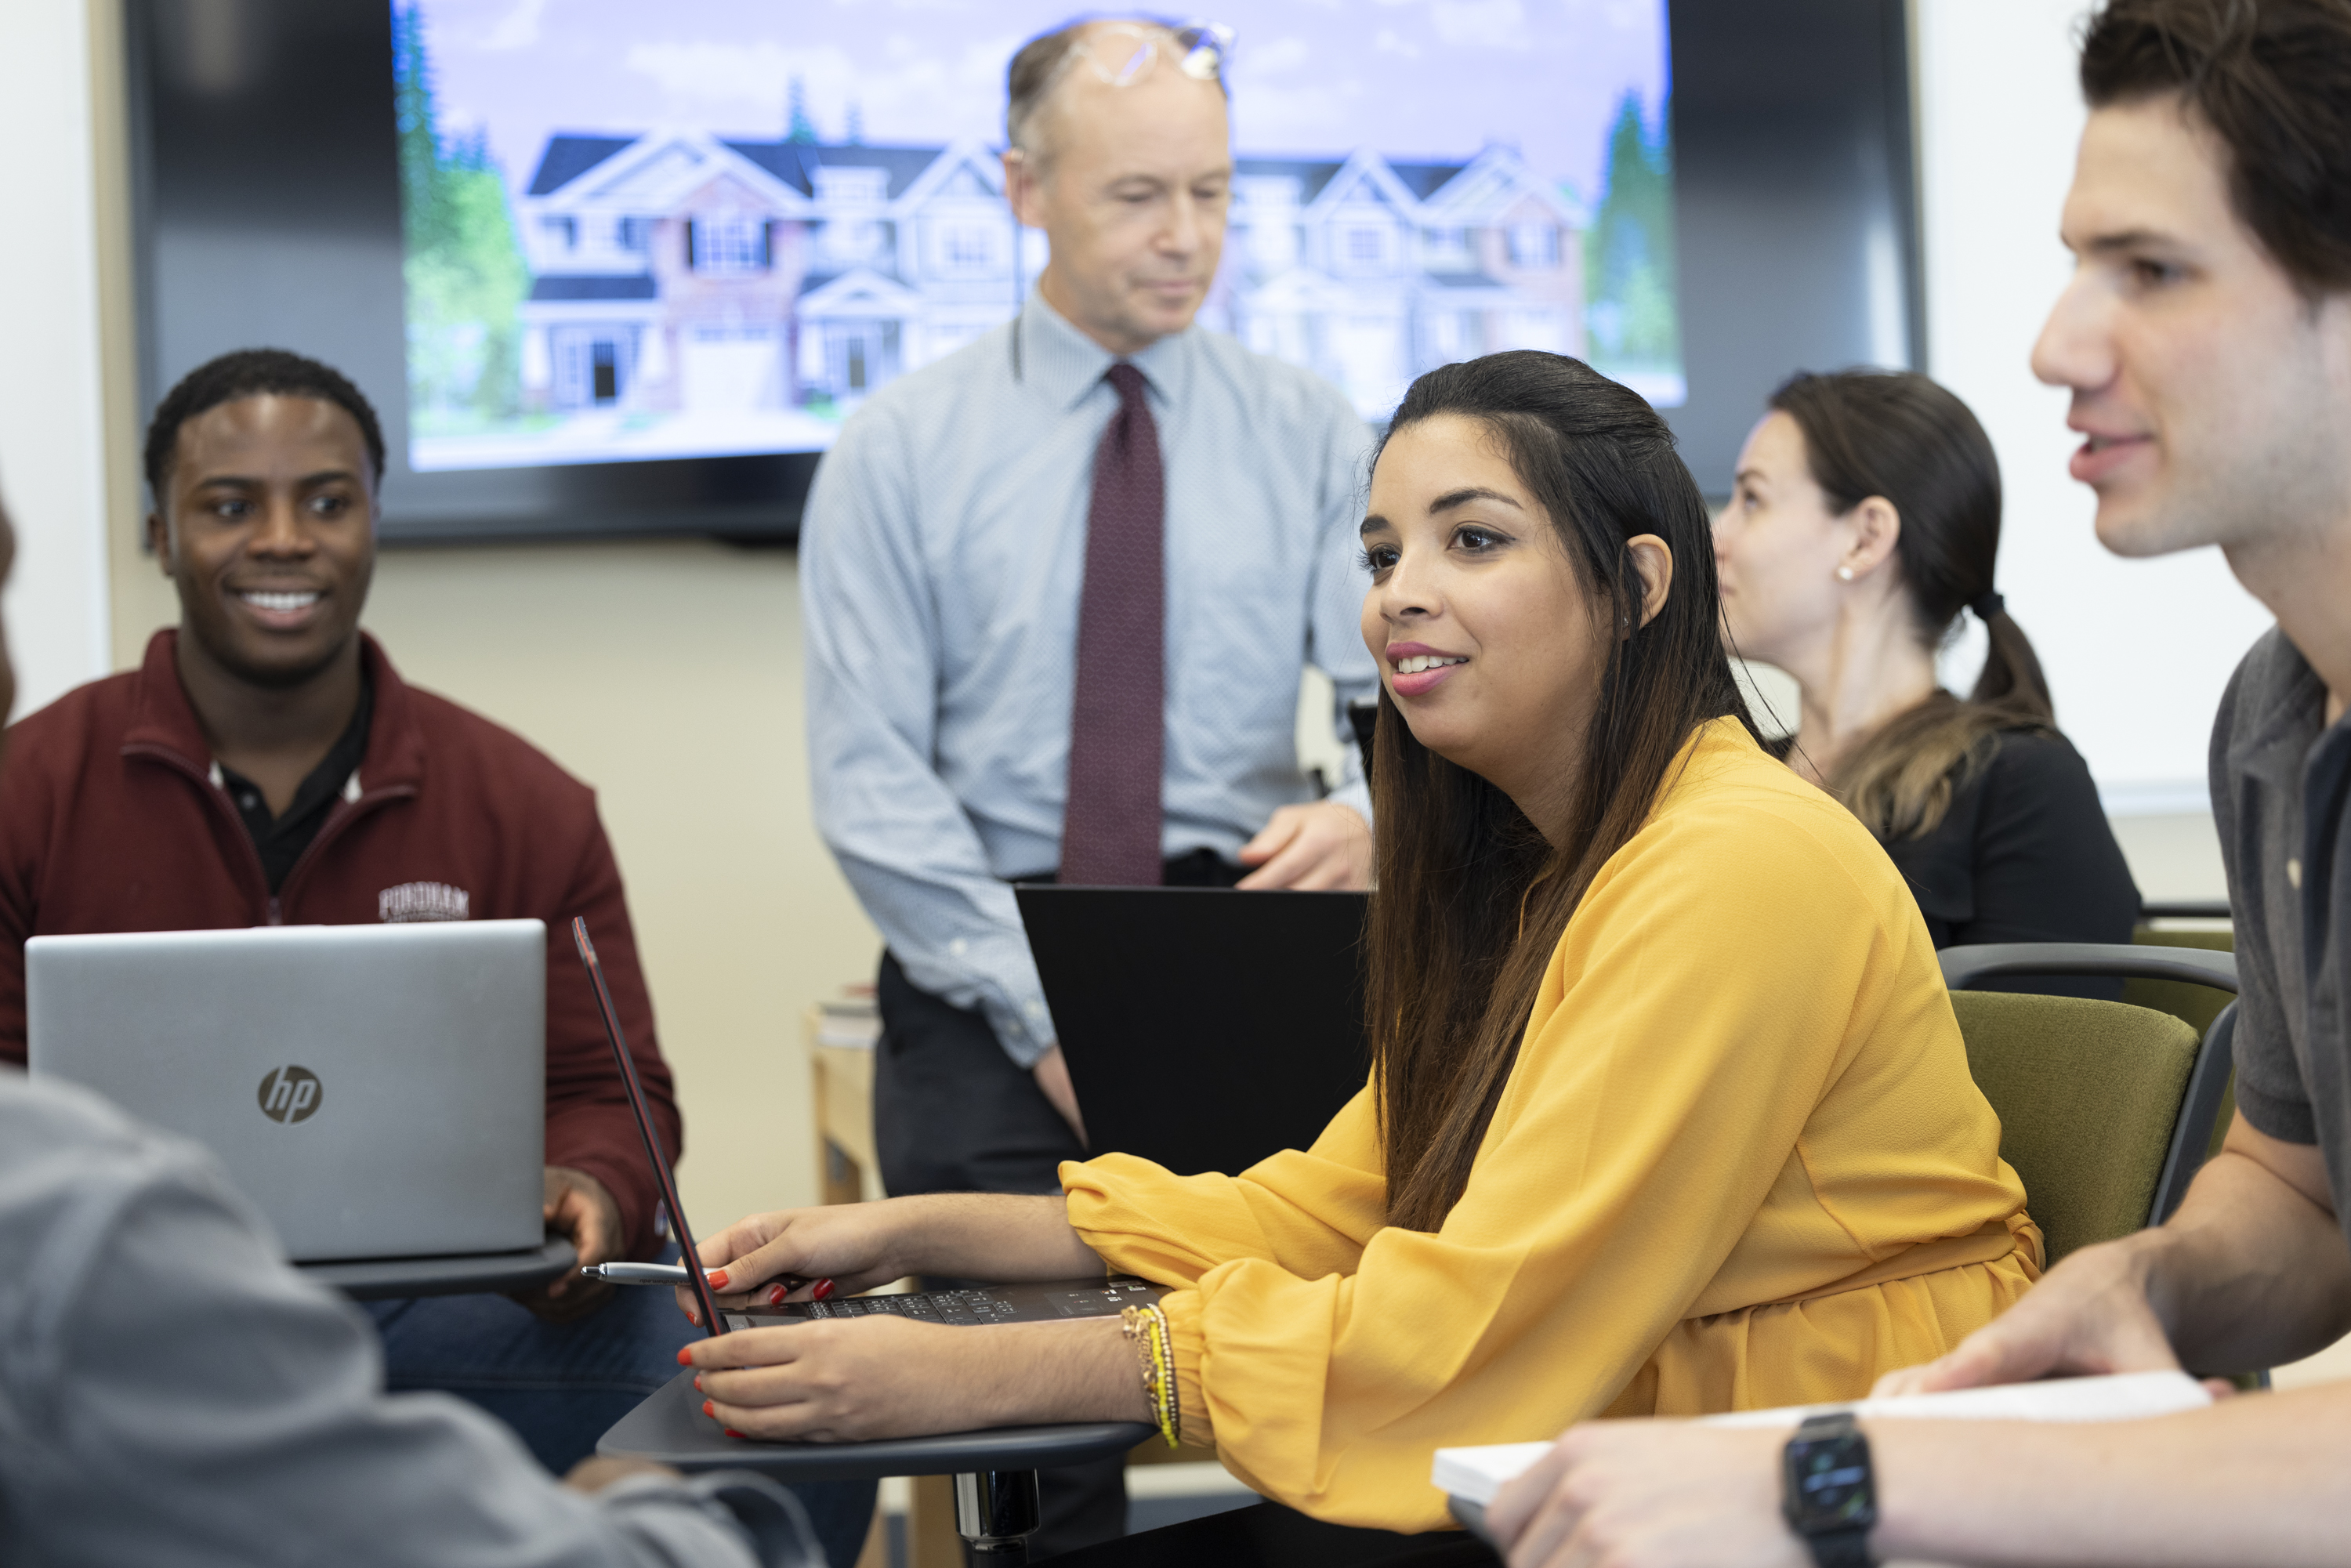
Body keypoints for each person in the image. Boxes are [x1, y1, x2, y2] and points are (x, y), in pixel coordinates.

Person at [678, 350, 2040, 1539]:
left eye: (1474, 541)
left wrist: (971, 1371)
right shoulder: (1548, 873)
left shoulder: (1738, 859)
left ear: (1635, 586)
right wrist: (929, 1236)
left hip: (1817, 1467)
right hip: (1617, 1438)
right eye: (1384, 555)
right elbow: (1342, 1206)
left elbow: (1481, 1317)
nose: (1401, 595)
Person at [1483, 3, 2351, 1564]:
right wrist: (2147, 1278)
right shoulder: (2273, 726)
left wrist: (1848, 1474)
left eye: (2149, 270)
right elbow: (2300, 1189)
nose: (2056, 346)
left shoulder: (2028, 771)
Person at [0, 349, 871, 1563]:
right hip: (132, 1314)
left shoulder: (524, 802)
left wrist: (589, 1190)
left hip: (457, 1310)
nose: (285, 539)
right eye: (230, 504)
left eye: (328, 499)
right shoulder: (26, 789)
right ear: (159, 532)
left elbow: (613, 1097)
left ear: (372, 520)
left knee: (779, 1401)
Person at [799, 18, 1375, 1552]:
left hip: (1237, 943)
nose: (1187, 238)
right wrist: (1044, 1004)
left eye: (1215, 192)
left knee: (1338, 1375)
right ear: (1022, 190)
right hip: (990, 950)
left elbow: (1414, 696)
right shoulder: (899, 448)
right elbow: (871, 784)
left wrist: (1377, 814)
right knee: (1028, 1434)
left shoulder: (1319, 435)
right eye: (1138, 197)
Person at [1714, 368, 2141, 982]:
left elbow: (2044, 1071)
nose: (1717, 535)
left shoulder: (2024, 786)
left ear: (1866, 538)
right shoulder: (1734, 777)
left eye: (1751, 499)